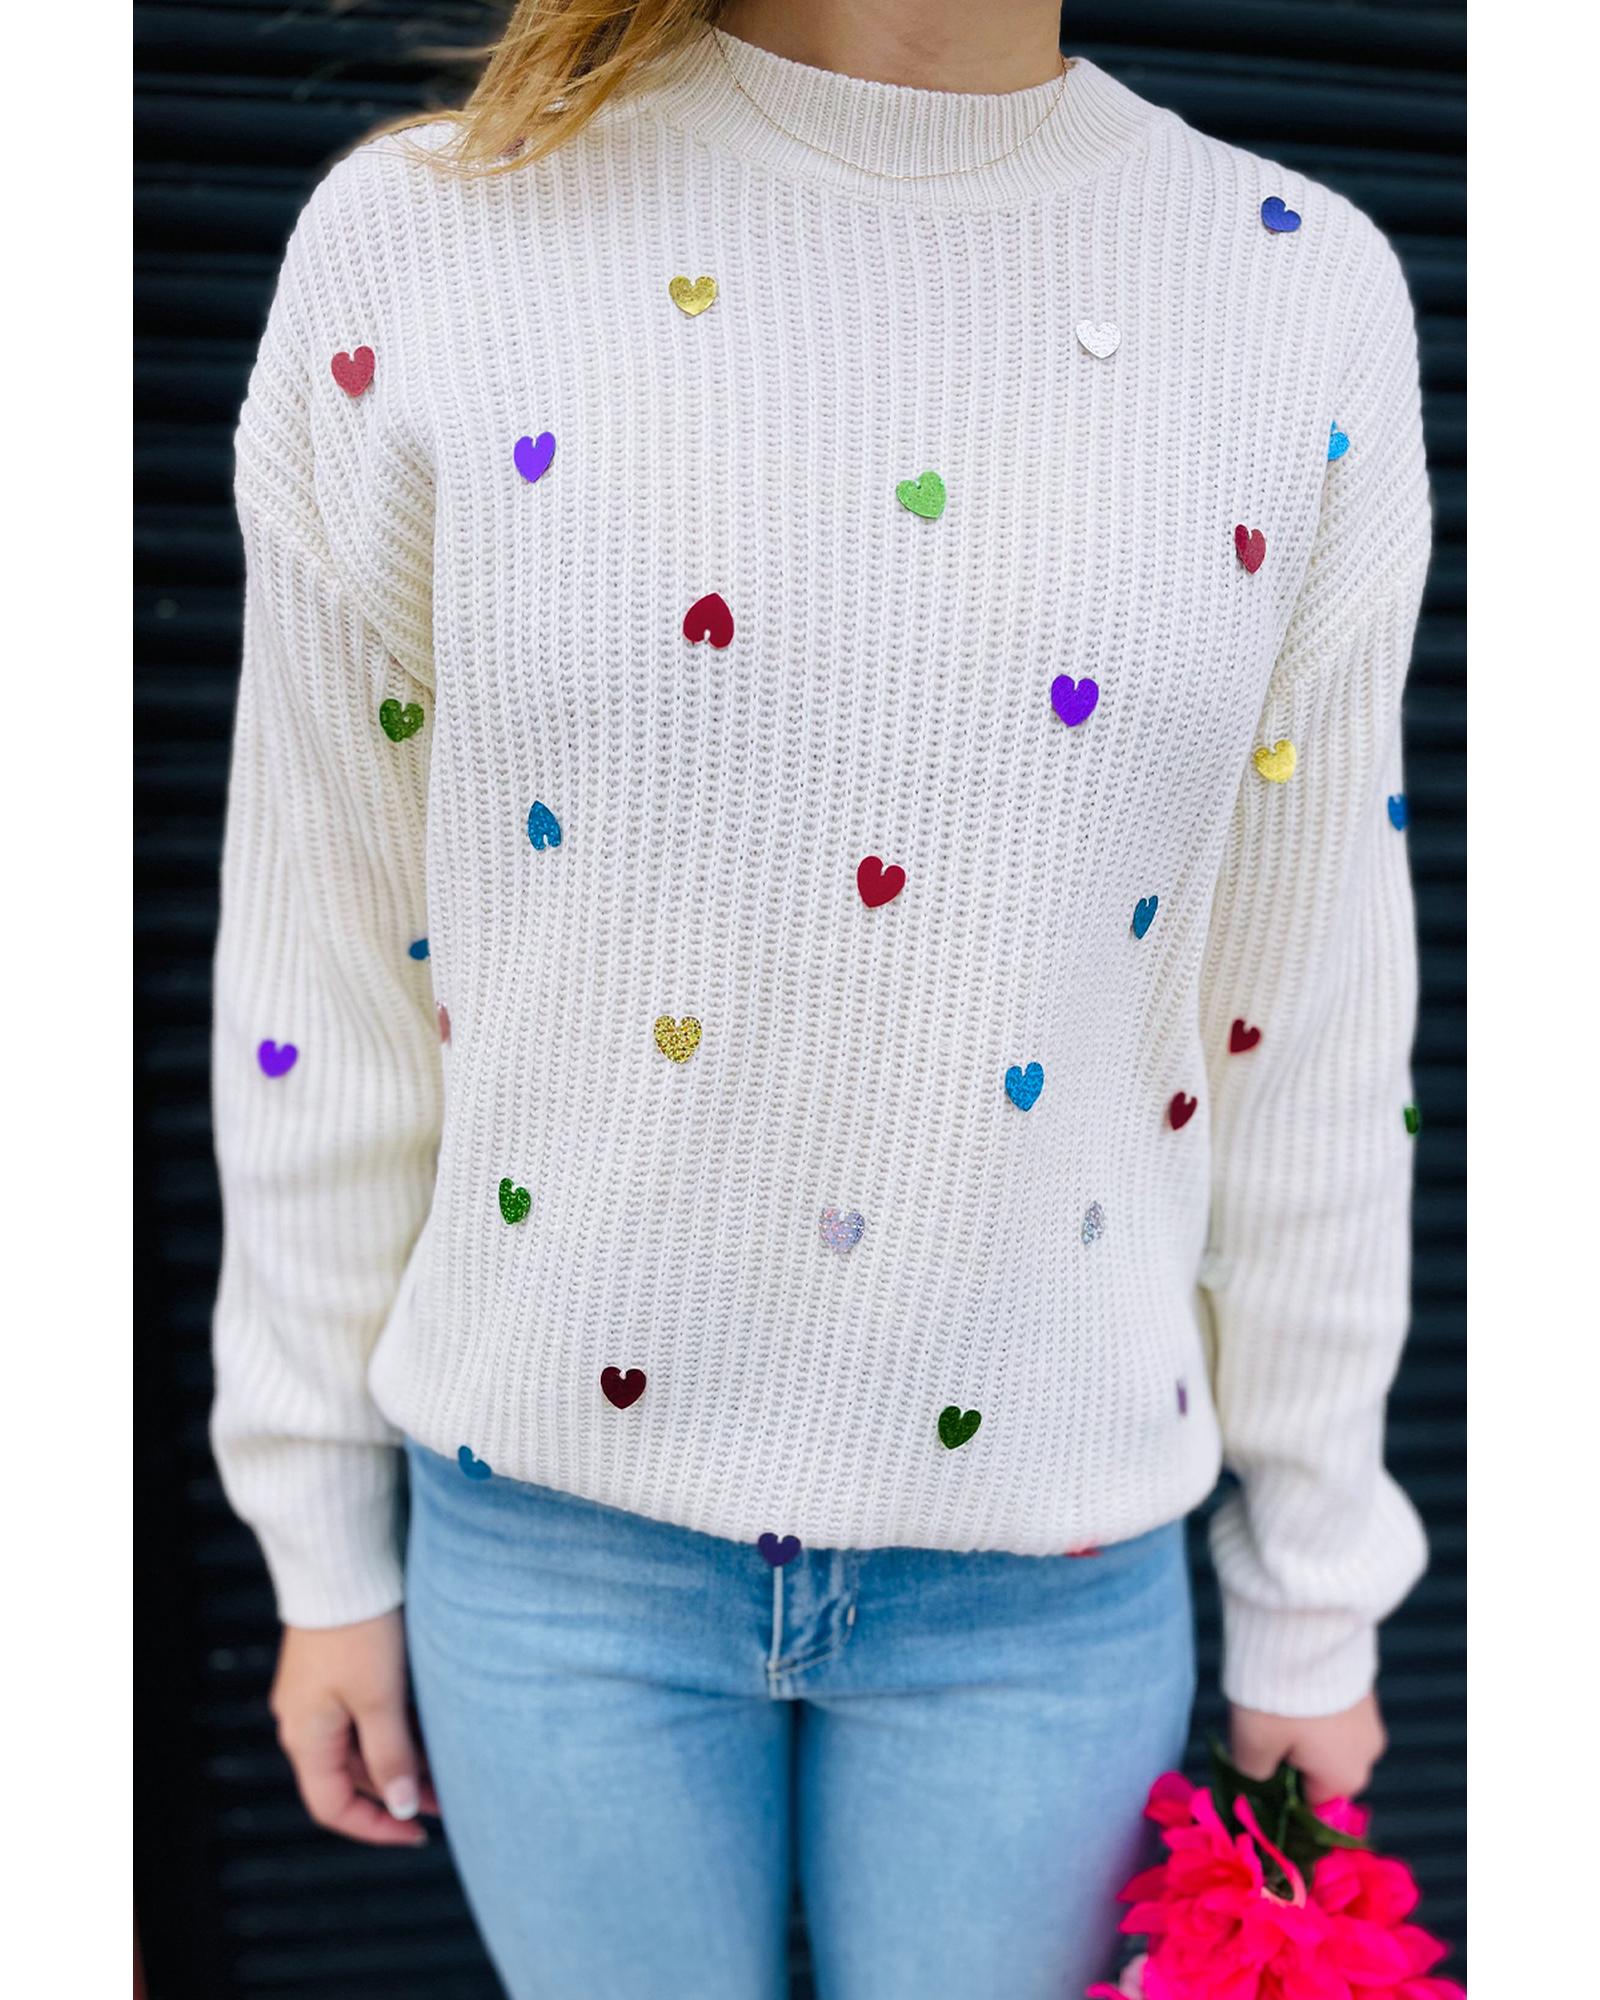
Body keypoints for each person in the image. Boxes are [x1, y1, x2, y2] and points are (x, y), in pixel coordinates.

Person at [209, 2, 1433, 1994]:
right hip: (550, 1545)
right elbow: (326, 946)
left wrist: (1313, 1598)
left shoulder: (1292, 291)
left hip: (1045, 1569)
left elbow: (1302, 1016)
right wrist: (316, 1532)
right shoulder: (429, 238)